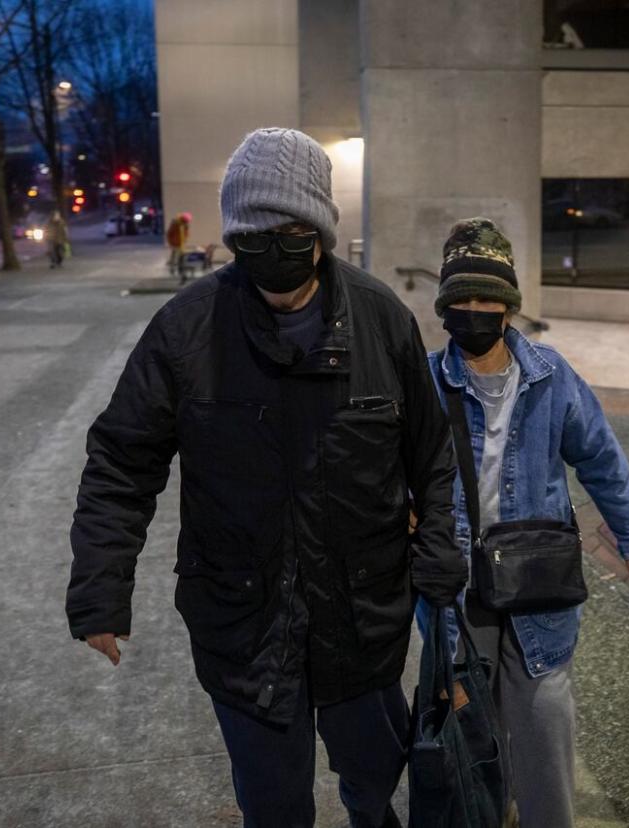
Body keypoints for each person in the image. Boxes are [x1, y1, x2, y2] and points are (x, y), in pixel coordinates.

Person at [66, 127, 467, 828]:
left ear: (320, 231)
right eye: (254, 237)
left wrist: (438, 553)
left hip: (362, 623)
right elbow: (121, 463)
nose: (273, 253)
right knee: (274, 808)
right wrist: (101, 589)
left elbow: (432, 456)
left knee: (377, 784)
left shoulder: (382, 322)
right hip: (244, 628)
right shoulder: (186, 330)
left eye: (292, 233)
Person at [418, 217, 629, 828]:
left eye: (488, 300)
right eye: (462, 300)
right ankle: (490, 813)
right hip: (459, 584)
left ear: (509, 306)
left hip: (537, 580)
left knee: (545, 722)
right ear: (445, 306)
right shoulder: (424, 380)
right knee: (470, 722)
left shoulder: (552, 377)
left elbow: (601, 457)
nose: (475, 311)